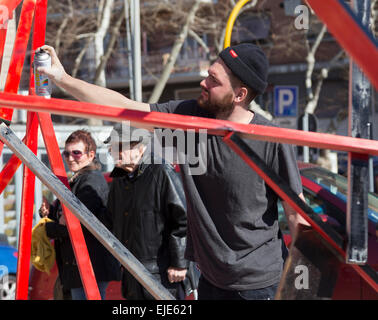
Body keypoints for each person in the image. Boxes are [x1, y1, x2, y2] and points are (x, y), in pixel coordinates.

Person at [36, 43, 309, 300]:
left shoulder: (270, 139)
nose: (204, 82)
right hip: (212, 281)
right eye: (208, 75)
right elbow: (125, 108)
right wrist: (62, 78)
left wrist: (301, 288)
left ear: (239, 95)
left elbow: (298, 219)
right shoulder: (190, 118)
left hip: (259, 285)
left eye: (214, 80)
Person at [104, 123, 193, 300]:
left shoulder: (160, 171)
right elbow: (111, 221)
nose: (115, 152)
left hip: (162, 274)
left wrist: (179, 264)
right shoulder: (119, 181)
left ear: (140, 147)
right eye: (112, 147)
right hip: (132, 273)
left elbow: (183, 220)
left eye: (120, 146)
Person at [39, 129, 120, 300]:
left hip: (90, 264)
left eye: (76, 153)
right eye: (66, 153)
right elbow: (67, 219)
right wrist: (51, 213)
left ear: (91, 155)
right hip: (81, 264)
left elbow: (77, 225)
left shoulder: (91, 181)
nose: (70, 158)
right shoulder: (78, 180)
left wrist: (46, 228)